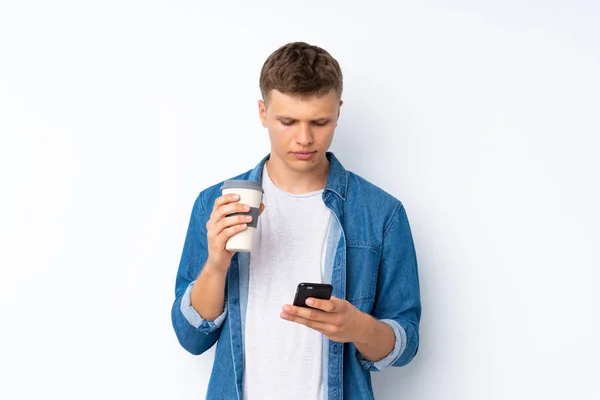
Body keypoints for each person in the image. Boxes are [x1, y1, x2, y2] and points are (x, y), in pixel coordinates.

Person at [171, 41, 421, 400]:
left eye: (320, 122)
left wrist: (358, 327)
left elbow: (406, 344)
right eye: (287, 121)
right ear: (262, 112)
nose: (304, 138)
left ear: (338, 112)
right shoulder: (216, 204)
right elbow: (192, 338)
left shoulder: (382, 214)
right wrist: (215, 264)